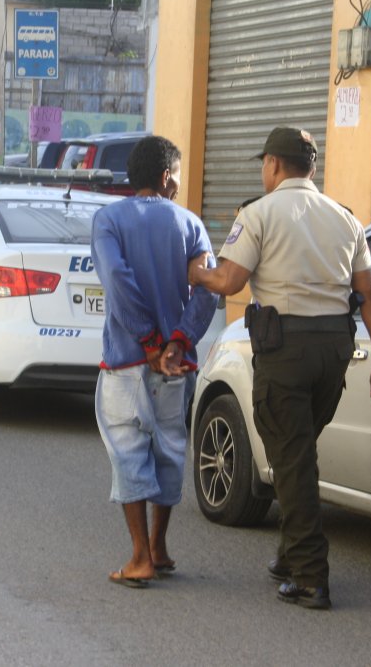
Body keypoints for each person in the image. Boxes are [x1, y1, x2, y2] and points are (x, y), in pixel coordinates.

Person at [189, 126, 371, 610]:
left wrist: (194, 270)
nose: (263, 170)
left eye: (264, 163)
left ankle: (309, 576)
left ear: (274, 166)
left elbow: (228, 279)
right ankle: (288, 554)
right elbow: (370, 296)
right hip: (335, 352)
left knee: (293, 457)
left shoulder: (256, 214)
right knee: (295, 451)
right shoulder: (347, 219)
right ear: (312, 168)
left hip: (286, 350)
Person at [91, 135, 219, 589]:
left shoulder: (108, 221)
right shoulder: (191, 225)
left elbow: (118, 281)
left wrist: (147, 340)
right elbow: (207, 288)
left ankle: (140, 555)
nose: (179, 185)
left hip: (127, 361)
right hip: (175, 365)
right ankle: (161, 548)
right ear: (166, 178)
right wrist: (177, 344)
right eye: (178, 177)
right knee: (168, 449)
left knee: (129, 449)